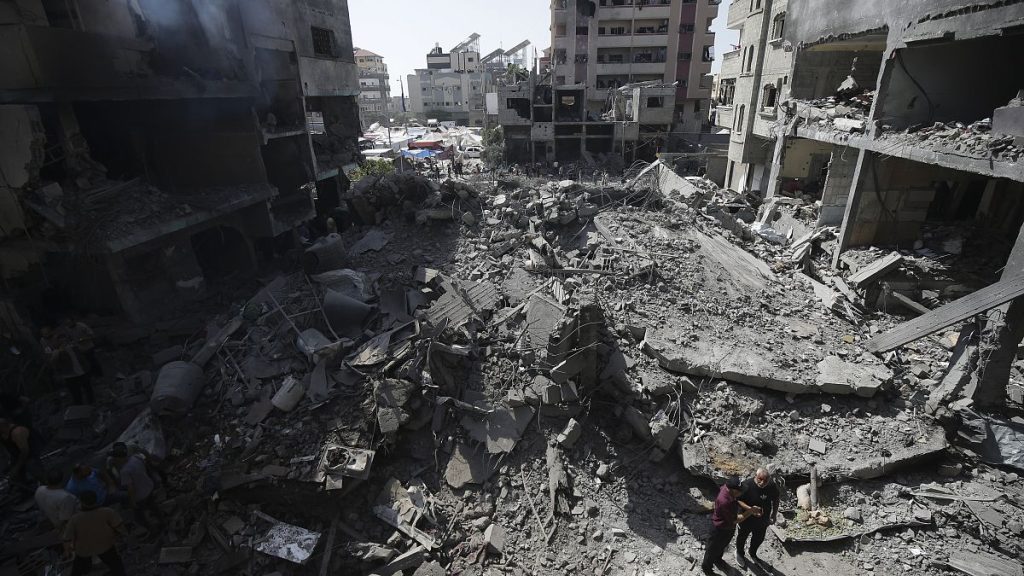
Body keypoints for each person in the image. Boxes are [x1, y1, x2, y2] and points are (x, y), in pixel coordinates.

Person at [701, 476, 761, 575]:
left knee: (722, 546)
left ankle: (718, 560)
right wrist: (750, 511)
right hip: (719, 529)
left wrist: (749, 508)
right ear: (733, 490)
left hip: (728, 528)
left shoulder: (728, 488)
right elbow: (736, 520)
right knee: (712, 550)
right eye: (740, 491)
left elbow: (736, 501)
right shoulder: (724, 502)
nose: (742, 493)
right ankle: (707, 568)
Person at [63, 490, 127, 576]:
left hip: (84, 549)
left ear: (81, 502)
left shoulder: (75, 519)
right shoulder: (107, 512)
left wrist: (68, 551)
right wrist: (118, 537)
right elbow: (120, 527)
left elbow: (67, 538)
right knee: (116, 564)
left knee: (77, 570)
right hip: (105, 545)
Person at [108, 443, 159, 530]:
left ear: (118, 458)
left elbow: (131, 488)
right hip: (148, 486)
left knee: (139, 516)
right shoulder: (136, 457)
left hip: (140, 496)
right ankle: (161, 519)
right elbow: (146, 467)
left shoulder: (124, 471)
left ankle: (151, 529)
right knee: (153, 505)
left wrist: (132, 502)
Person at [735, 467, 780, 567]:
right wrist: (750, 509)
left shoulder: (771, 485)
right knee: (742, 536)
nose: (762, 483)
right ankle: (739, 553)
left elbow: (776, 499)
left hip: (763, 519)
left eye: (765, 480)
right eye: (760, 479)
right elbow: (738, 500)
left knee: (759, 538)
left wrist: (774, 514)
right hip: (746, 518)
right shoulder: (747, 485)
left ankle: (753, 553)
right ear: (756, 476)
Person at [40, 326, 93, 405]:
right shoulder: (52, 349)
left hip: (81, 369)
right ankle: (80, 405)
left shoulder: (71, 345)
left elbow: (82, 350)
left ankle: (91, 402)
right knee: (75, 391)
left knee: (87, 387)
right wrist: (58, 351)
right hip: (68, 373)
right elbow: (52, 360)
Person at [0, 417, 43, 487]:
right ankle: (25, 489)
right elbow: (4, 447)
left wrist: (17, 467)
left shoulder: (17, 433)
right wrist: (9, 461)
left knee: (35, 471)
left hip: (29, 454)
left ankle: (48, 486)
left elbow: (25, 452)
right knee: (15, 476)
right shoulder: (2, 433)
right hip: (16, 454)